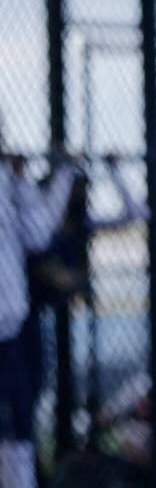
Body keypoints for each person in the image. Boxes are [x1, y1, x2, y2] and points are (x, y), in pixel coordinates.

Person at [0, 138, 76, 488]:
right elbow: (39, 235)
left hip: (8, 328)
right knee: (15, 433)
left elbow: (37, 234)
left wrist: (19, 181)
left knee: (17, 431)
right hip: (8, 326)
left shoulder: (8, 178)